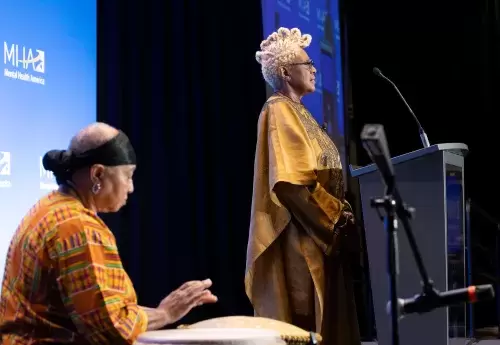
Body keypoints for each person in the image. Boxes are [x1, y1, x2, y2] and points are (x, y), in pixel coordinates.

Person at [0, 123, 218, 345]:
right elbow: (113, 331)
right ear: (97, 174)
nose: (131, 187)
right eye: (128, 175)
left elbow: (97, 313)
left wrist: (163, 311)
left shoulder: (49, 207)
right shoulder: (78, 227)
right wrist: (165, 314)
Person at [244, 28, 362, 345]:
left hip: (324, 237)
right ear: (284, 72)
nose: (313, 69)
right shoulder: (278, 110)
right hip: (308, 242)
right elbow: (291, 185)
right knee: (314, 324)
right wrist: (334, 222)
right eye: (307, 62)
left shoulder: (299, 111)